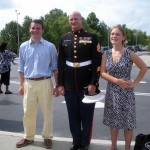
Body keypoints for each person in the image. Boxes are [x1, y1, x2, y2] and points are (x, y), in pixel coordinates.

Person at [57, 11, 102, 150]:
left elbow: (97, 62)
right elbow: (61, 62)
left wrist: (93, 82)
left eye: (76, 19)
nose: (73, 21)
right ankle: (76, 142)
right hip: (70, 85)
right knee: (73, 116)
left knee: (87, 116)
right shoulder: (64, 38)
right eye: (71, 19)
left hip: (87, 84)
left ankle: (84, 143)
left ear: (81, 20)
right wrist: (60, 84)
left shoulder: (91, 37)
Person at [100, 25, 148, 150]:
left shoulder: (129, 53)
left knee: (128, 123)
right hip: (112, 92)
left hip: (126, 93)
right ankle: (114, 146)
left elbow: (143, 67)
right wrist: (116, 81)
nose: (114, 36)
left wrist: (135, 83)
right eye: (112, 34)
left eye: (117, 34)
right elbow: (103, 73)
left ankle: (127, 148)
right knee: (113, 122)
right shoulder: (106, 53)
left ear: (123, 37)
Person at [16, 19, 58, 149]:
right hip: (29, 83)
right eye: (33, 28)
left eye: (38, 28)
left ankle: (47, 137)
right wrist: (21, 84)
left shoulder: (50, 46)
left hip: (45, 82)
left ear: (42, 30)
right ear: (29, 29)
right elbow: (21, 68)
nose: (35, 30)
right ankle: (28, 137)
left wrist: (57, 85)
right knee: (28, 112)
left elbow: (55, 67)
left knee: (47, 112)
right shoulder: (23, 46)